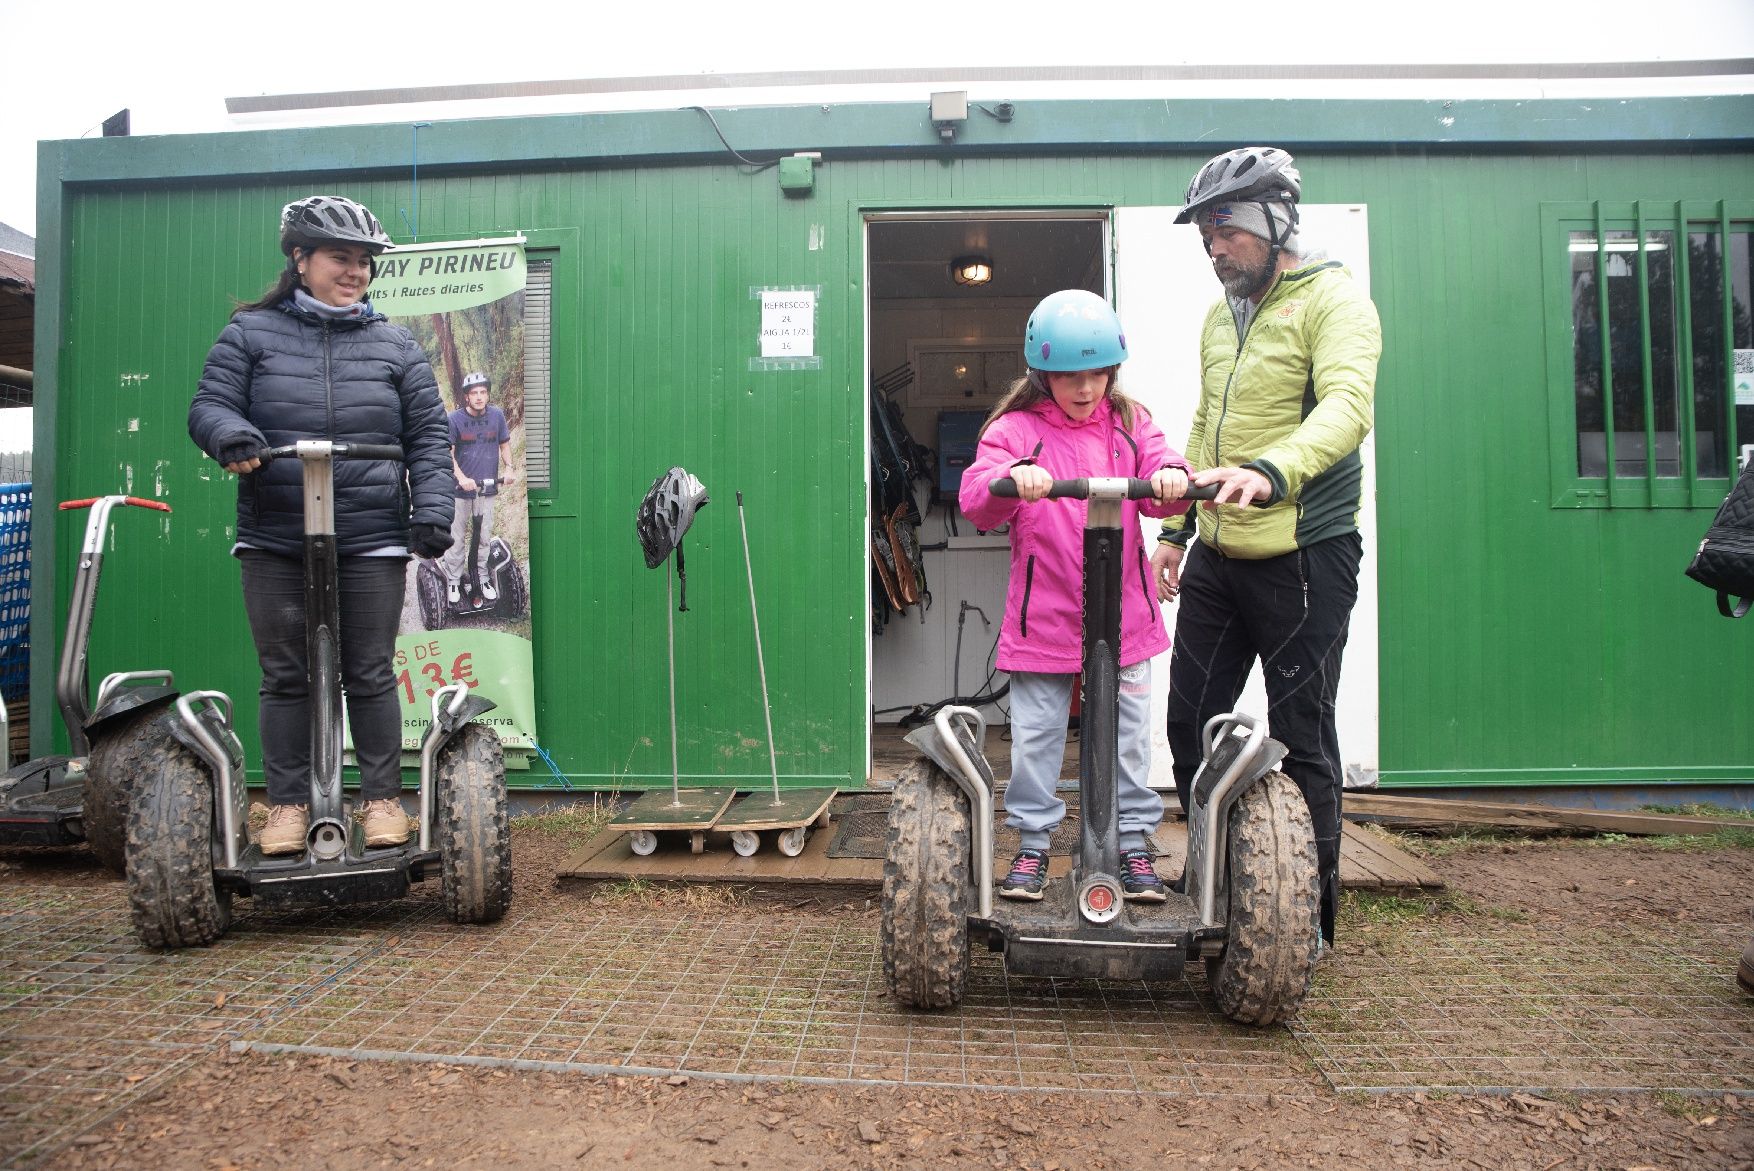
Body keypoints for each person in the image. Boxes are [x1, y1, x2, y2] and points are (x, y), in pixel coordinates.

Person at [1148, 147, 1382, 946]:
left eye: (1227, 231)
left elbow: (1347, 406)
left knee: (1302, 734)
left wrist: (1273, 469)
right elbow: (1203, 422)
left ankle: (1305, 916)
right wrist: (1178, 527)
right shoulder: (1222, 316)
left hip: (1304, 553)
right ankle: (1213, 876)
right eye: (1206, 235)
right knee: (1190, 722)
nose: (1214, 248)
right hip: (1218, 551)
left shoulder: (1334, 301)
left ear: (1276, 221)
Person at [188, 194, 455, 856]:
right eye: (341, 258)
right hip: (277, 530)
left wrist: (433, 510)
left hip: (369, 534)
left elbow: (426, 434)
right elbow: (210, 405)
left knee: (367, 669)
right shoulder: (249, 335)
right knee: (286, 674)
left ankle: (384, 801)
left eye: (364, 261)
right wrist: (232, 434)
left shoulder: (395, 344)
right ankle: (284, 806)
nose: (356, 271)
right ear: (300, 259)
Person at [959, 289, 1192, 903]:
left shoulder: (1131, 424)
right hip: (1047, 618)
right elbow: (977, 497)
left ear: (1112, 370)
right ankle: (1033, 848)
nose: (1084, 388)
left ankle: (1133, 845)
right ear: (1043, 373)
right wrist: (1013, 481)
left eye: (1096, 373)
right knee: (1036, 738)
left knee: (1129, 737)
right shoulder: (1017, 430)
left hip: (1126, 618)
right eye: (1068, 376)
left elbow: (1169, 481)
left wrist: (1173, 478)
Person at [439, 371, 514, 606]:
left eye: (483, 392)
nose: (480, 397)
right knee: (457, 537)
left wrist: (510, 468)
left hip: (486, 489)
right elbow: (448, 454)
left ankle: (481, 578)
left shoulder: (497, 416)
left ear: (488, 394)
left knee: (483, 537)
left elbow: (504, 445)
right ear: (467, 397)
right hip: (461, 490)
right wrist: (461, 477)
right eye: (474, 393)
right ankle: (453, 579)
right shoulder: (454, 419)